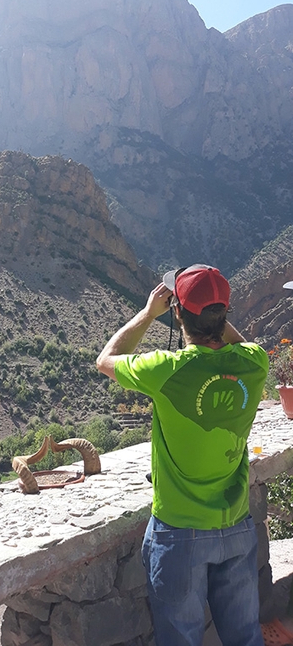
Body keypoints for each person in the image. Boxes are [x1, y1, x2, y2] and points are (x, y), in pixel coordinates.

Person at [96, 264, 268, 646]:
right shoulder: (255, 363)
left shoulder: (165, 370)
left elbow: (107, 358)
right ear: (224, 313)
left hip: (178, 532)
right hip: (237, 524)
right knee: (245, 637)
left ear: (177, 311)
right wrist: (214, 317)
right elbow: (237, 344)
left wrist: (147, 313)